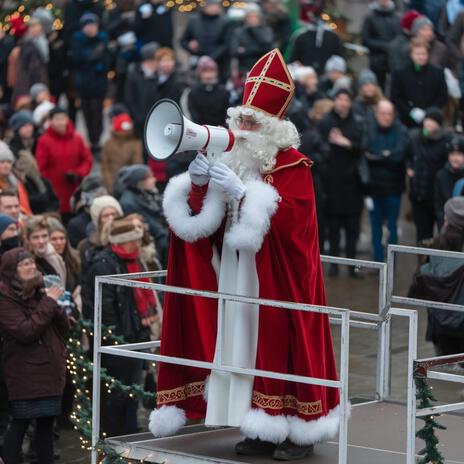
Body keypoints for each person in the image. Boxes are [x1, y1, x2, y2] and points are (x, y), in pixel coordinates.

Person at [149, 49, 339, 460]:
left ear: (275, 128)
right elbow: (204, 230)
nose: (244, 128)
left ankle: (296, 433)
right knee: (240, 346)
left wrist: (245, 195)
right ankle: (257, 425)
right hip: (236, 276)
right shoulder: (231, 158)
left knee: (276, 346)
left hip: (276, 278)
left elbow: (296, 226)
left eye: (254, 122)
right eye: (241, 120)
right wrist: (198, 187)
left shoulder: (293, 166)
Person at [87, 216, 156, 436]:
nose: (138, 243)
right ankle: (114, 436)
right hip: (118, 341)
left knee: (133, 388)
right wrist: (117, 338)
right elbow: (104, 308)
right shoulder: (105, 264)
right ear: (122, 240)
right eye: (133, 239)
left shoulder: (136, 260)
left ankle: (130, 431)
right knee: (116, 392)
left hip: (137, 334)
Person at [0, 248, 68, 464]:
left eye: (32, 262)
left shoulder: (39, 290)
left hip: (50, 368)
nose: (31, 267)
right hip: (25, 371)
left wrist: (53, 304)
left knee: (46, 427)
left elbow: (63, 327)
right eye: (24, 264)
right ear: (12, 271)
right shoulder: (4, 298)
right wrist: (48, 302)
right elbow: (25, 331)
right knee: (20, 423)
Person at [318, 88, 365, 276]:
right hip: (332, 184)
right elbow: (318, 147)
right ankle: (334, 266)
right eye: (340, 99)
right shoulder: (325, 123)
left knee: (352, 228)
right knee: (334, 228)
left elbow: (363, 148)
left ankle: (352, 266)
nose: (343, 103)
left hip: (353, 183)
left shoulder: (358, 122)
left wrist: (347, 143)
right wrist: (331, 144)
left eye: (347, 99)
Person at [409, 197, 464, 357]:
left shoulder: (435, 246)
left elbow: (419, 283)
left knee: (446, 367)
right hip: (460, 321)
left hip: (441, 324)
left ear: (448, 220)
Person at [364, 100, 409, 262]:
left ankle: (391, 263)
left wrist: (378, 157)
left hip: (394, 189)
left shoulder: (401, 131)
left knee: (392, 226)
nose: (386, 117)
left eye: (389, 113)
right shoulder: (369, 130)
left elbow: (398, 157)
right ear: (377, 115)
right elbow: (366, 153)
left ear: (394, 115)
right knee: (375, 226)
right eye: (383, 113)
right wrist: (386, 155)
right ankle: (378, 261)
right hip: (374, 188)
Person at [36, 107, 93, 223]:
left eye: (63, 118)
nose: (60, 122)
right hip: (55, 191)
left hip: (74, 188)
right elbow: (41, 167)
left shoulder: (77, 138)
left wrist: (78, 173)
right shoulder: (44, 141)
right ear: (50, 121)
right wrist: (48, 185)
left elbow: (87, 159)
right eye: (57, 119)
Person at [407, 107, 449, 242]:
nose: (428, 123)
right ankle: (423, 263)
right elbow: (408, 156)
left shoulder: (445, 141)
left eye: (432, 120)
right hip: (419, 196)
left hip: (437, 198)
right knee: (422, 237)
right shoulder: (415, 138)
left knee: (441, 237)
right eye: (427, 119)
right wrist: (409, 167)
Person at [70, 13, 110, 155]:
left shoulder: (104, 39)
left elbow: (109, 60)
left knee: (97, 114)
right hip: (83, 84)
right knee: (87, 114)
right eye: (88, 26)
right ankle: (91, 140)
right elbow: (76, 59)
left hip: (99, 84)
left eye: (93, 25)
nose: (91, 29)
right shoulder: (77, 40)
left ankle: (96, 141)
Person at [116, 165, 169, 266]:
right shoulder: (128, 203)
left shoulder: (148, 194)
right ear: (139, 181)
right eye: (149, 177)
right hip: (149, 242)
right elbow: (151, 225)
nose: (154, 179)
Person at [390, 38, 448, 128]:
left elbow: (443, 96)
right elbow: (395, 97)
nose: (421, 57)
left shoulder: (437, 72)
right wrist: (410, 111)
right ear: (411, 54)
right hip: (406, 121)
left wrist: (429, 112)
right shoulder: (400, 73)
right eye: (417, 54)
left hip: (431, 121)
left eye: (423, 54)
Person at [180, 0, 231, 81]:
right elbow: (183, 41)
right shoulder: (194, 21)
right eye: (211, 5)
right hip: (197, 62)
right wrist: (189, 45)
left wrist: (210, 58)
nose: (214, 8)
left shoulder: (224, 22)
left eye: (216, 5)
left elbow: (227, 44)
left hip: (219, 64)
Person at [361, 0, 401, 89]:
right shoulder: (370, 18)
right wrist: (384, 46)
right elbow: (365, 40)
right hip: (377, 61)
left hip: (394, 60)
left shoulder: (397, 17)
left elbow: (400, 37)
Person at [124, 42, 160, 139]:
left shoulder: (159, 76)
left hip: (157, 121)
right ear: (149, 61)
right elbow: (129, 98)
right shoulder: (134, 75)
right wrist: (138, 117)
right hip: (140, 122)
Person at [10, 17, 49, 105]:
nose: (38, 28)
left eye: (39, 25)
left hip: (30, 86)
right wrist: (41, 89)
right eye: (34, 26)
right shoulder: (30, 46)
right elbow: (35, 70)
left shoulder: (36, 43)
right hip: (30, 87)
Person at [101, 113, 143, 193]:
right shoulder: (136, 143)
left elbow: (137, 166)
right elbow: (105, 168)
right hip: (120, 188)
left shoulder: (108, 144)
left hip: (126, 188)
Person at [186, 56, 230, 127]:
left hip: (221, 131)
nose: (209, 75)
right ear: (200, 74)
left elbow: (228, 113)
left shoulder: (224, 92)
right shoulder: (193, 93)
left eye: (211, 71)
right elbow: (194, 115)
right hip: (201, 131)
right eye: (205, 72)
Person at [230, 3, 274, 74]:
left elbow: (268, 48)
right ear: (245, 18)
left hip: (263, 68)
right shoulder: (239, 32)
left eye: (255, 16)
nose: (253, 19)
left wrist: (255, 30)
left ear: (260, 17)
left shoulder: (267, 30)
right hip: (244, 68)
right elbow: (234, 51)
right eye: (250, 16)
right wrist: (258, 49)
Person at [24, 215, 67, 285]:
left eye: (44, 236)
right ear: (28, 240)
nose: (41, 241)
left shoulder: (56, 257)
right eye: (35, 237)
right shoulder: (24, 261)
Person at [434, 135, 464, 229]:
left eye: (459, 154)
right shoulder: (441, 175)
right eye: (452, 154)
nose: (455, 158)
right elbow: (438, 203)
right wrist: (443, 219)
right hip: (445, 224)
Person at [0, 141, 32, 217]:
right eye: (2, 162)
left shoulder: (17, 183)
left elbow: (25, 206)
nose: (6, 165)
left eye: (9, 162)